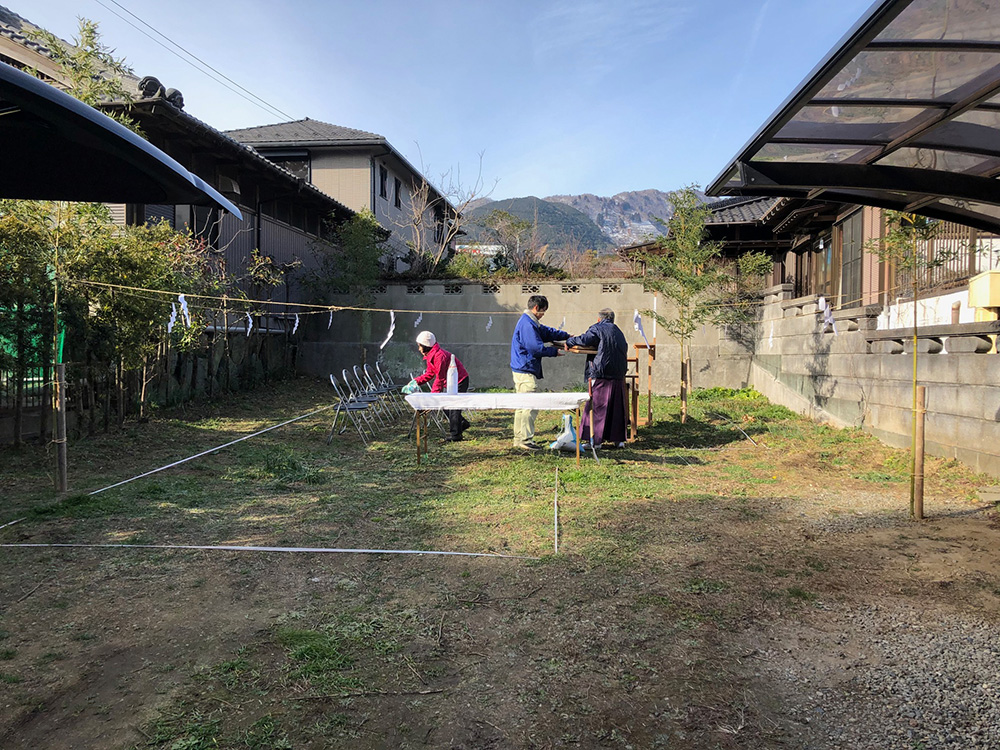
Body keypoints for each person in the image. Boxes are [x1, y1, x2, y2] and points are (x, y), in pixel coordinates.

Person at [510, 295, 569, 450]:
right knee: (530, 405)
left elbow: (545, 332)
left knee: (522, 405)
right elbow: (535, 348)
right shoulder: (527, 325)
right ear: (536, 308)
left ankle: (519, 438)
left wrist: (566, 336)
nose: (543, 314)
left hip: (522, 367)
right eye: (543, 311)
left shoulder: (530, 322)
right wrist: (553, 352)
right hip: (525, 368)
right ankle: (525, 440)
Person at [563, 308, 628, 448]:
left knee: (597, 406)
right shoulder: (619, 332)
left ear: (599, 319)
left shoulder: (597, 328)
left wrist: (569, 341)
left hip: (601, 371)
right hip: (618, 373)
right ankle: (618, 440)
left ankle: (594, 440)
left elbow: (585, 339)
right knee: (616, 407)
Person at [412, 330, 471, 441]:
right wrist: (416, 381)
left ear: (425, 346)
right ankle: (462, 423)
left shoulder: (439, 356)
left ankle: (456, 435)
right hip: (450, 382)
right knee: (445, 405)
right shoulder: (430, 355)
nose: (419, 349)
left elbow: (439, 378)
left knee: (453, 407)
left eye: (420, 346)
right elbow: (430, 373)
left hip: (459, 380)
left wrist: (432, 397)